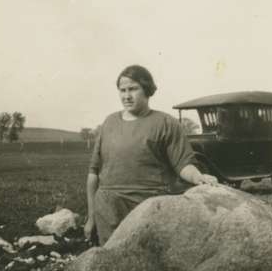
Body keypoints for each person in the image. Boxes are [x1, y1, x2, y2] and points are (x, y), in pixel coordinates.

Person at [84, 65, 217, 246]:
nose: (127, 96)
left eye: (133, 89)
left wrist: (198, 177)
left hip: (150, 206)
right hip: (109, 209)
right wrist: (92, 218)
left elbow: (183, 163)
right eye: (122, 90)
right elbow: (93, 173)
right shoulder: (109, 123)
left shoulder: (165, 123)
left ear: (147, 90)